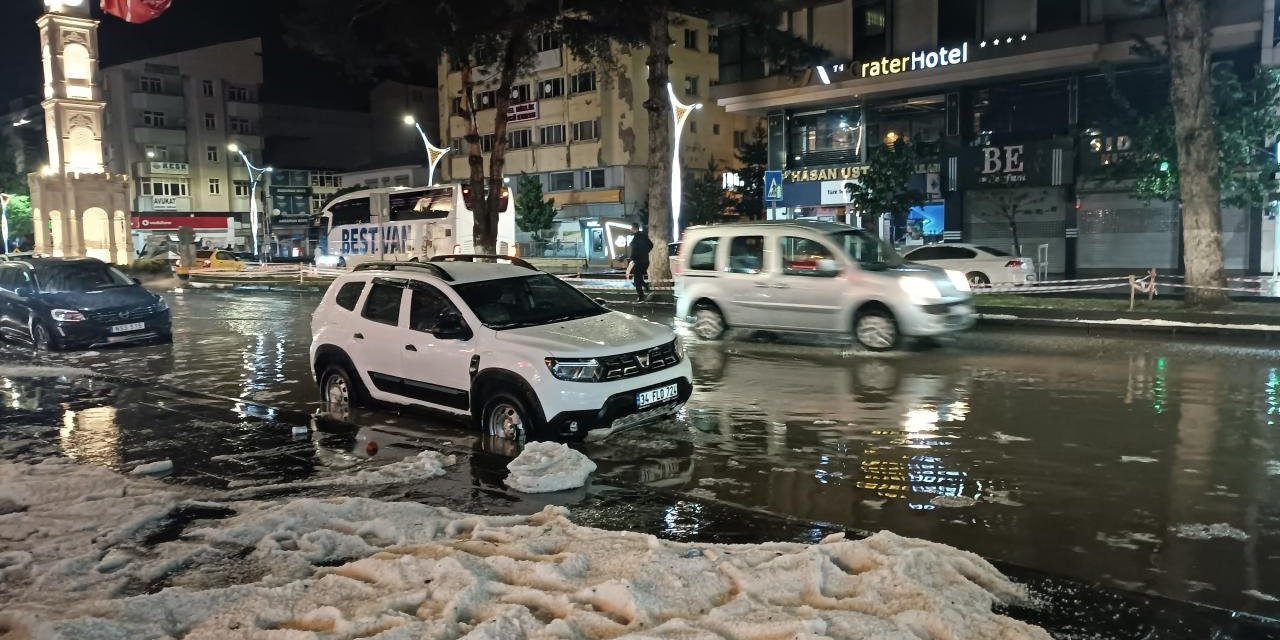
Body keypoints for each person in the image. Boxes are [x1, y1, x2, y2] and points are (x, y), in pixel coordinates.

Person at [626, 222, 653, 301]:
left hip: (639, 261)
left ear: (634, 228)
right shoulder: (643, 236)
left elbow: (635, 250)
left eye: (631, 228)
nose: (630, 230)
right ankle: (646, 286)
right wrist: (645, 252)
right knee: (639, 277)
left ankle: (640, 296)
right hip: (645, 261)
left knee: (636, 280)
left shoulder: (637, 237)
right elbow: (651, 245)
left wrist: (633, 258)